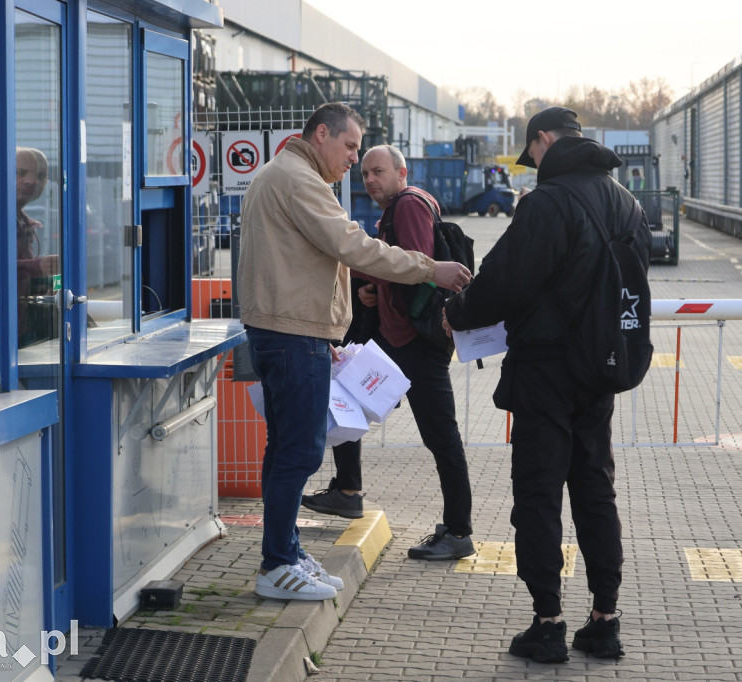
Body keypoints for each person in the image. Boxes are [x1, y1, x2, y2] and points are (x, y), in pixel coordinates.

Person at [238, 103, 471, 601]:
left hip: (291, 330)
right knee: (297, 452)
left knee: (286, 449)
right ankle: (277, 562)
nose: (354, 160)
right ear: (321, 134)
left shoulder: (280, 173)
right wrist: (431, 269)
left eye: (365, 157)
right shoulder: (299, 179)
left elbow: (312, 260)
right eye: (349, 147)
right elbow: (352, 246)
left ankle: (286, 550)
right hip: (291, 335)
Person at [444, 106, 650, 663]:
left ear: (542, 141)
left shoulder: (548, 202)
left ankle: (548, 622)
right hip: (601, 366)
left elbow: (506, 280)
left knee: (538, 492)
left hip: (546, 369)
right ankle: (604, 620)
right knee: (595, 488)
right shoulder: (627, 203)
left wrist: (458, 312)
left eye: (531, 152)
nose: (531, 163)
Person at [302, 144, 475, 562]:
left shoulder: (409, 205)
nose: (370, 180)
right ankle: (347, 490)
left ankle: (458, 531)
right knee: (346, 394)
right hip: (396, 338)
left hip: (415, 344)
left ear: (402, 172)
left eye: (378, 171)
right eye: (364, 174)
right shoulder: (400, 207)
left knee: (441, 437)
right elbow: (397, 271)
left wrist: (369, 276)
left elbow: (414, 265)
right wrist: (372, 289)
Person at [15, 147, 59, 347]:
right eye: (20, 173)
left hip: (19, 330)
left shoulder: (22, 222)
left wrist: (44, 282)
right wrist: (36, 267)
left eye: (40, 176)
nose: (32, 181)